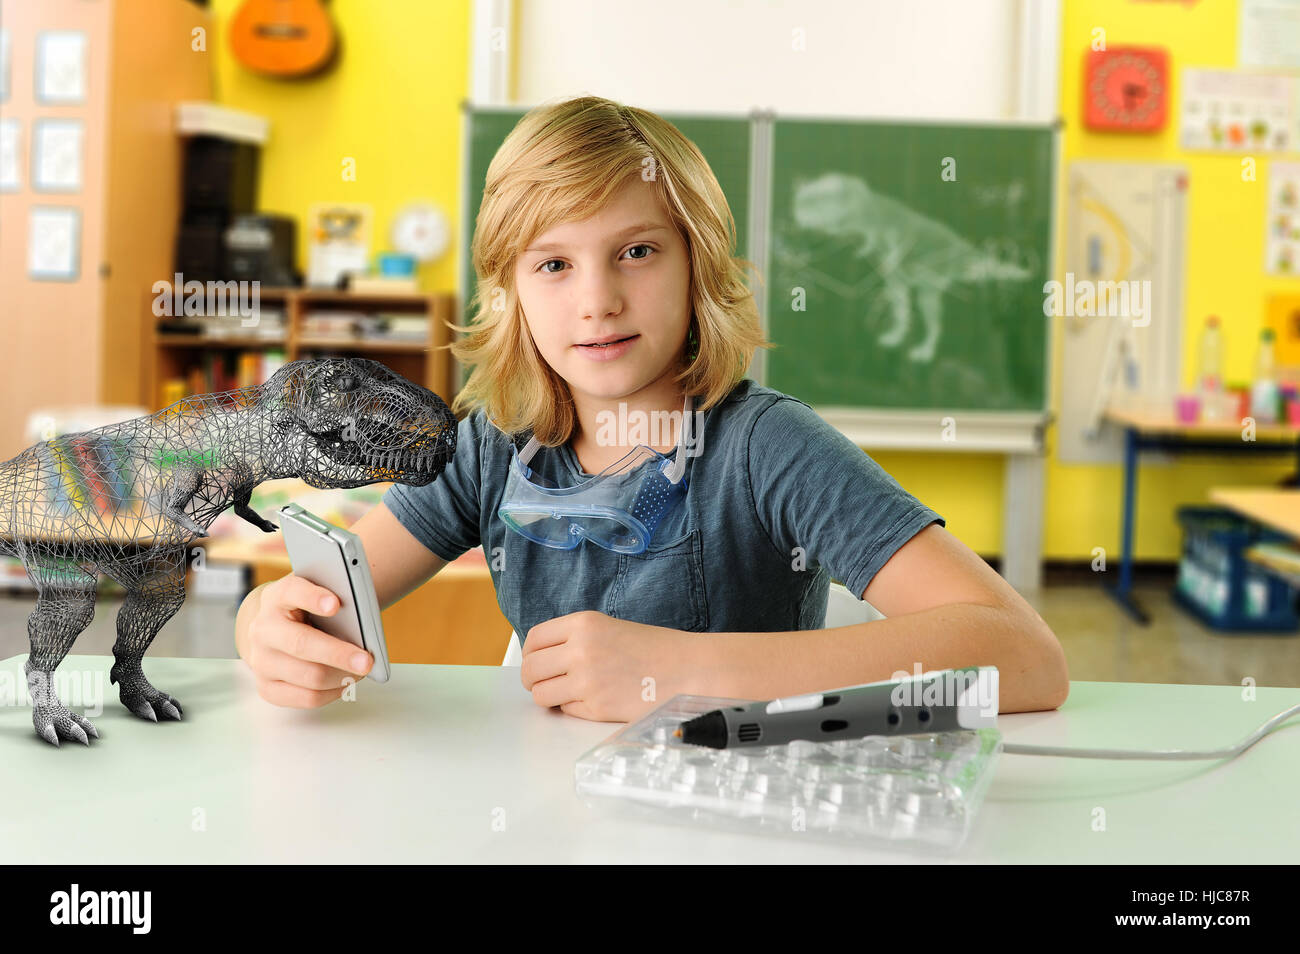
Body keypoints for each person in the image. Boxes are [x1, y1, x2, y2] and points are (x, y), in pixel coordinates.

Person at [235, 95, 1068, 723]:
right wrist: (263, 626)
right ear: (511, 293)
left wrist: (686, 671)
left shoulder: (766, 447)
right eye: (553, 264)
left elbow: (1025, 657)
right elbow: (321, 603)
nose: (596, 300)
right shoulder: (491, 448)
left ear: (695, 267)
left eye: (636, 252)